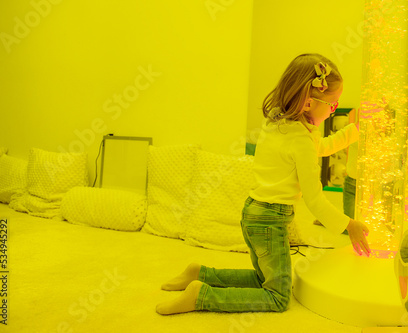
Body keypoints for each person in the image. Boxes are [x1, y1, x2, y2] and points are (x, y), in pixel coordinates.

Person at [155, 53, 371, 316]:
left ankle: (200, 273)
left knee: (264, 281)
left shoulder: (277, 123)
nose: (333, 110)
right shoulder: (301, 140)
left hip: (253, 213)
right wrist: (349, 225)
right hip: (269, 221)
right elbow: (314, 200)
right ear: (308, 102)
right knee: (278, 296)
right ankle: (202, 295)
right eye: (333, 105)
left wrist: (355, 131)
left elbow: (320, 148)